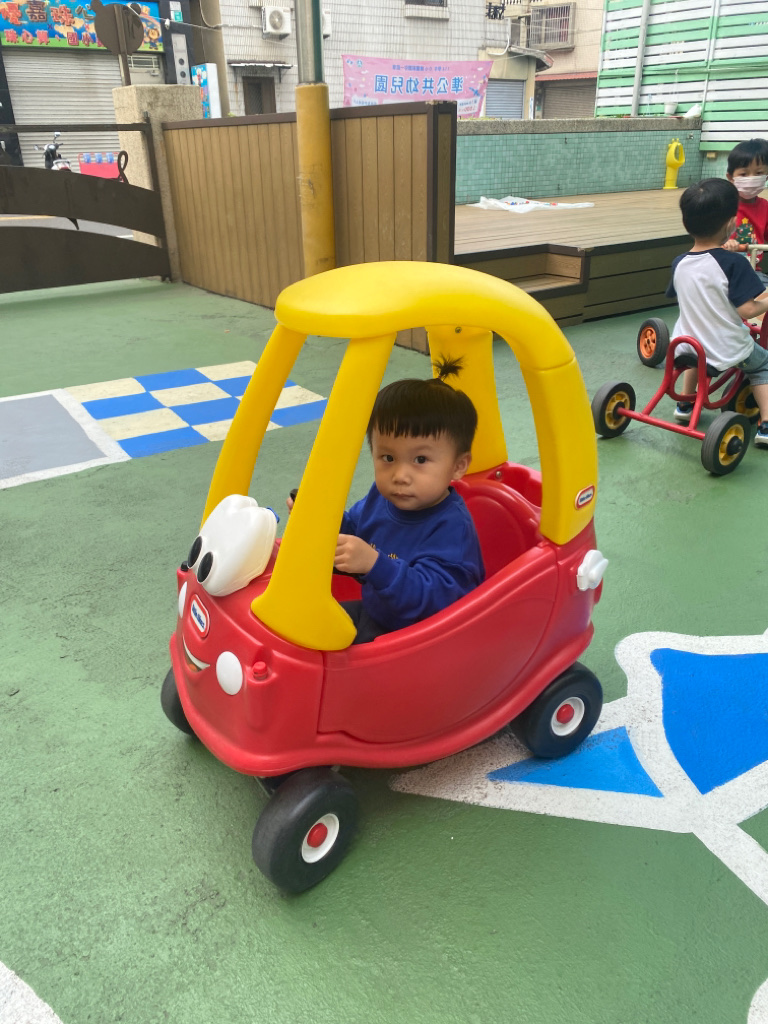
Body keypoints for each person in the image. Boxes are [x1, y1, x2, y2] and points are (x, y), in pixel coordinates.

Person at [289, 358, 485, 644]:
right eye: (388, 458)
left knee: (331, 660)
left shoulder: (452, 527)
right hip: (377, 614)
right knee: (302, 626)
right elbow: (354, 533)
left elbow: (435, 602)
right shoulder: (381, 498)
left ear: (458, 466)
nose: (400, 475)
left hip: (425, 639)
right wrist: (317, 518)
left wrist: (374, 564)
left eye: (420, 460)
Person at [666, 178, 768, 445]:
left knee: (696, 353)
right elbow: (748, 309)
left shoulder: (679, 263)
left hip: (684, 345)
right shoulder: (733, 263)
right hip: (725, 348)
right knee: (763, 365)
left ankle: (685, 404)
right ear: (732, 223)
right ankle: (766, 425)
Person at [721, 138, 768, 289]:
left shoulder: (765, 207)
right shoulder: (722, 204)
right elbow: (706, 236)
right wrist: (724, 243)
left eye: (758, 173)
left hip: (752, 270)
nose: (751, 179)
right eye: (743, 174)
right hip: (721, 270)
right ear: (731, 177)